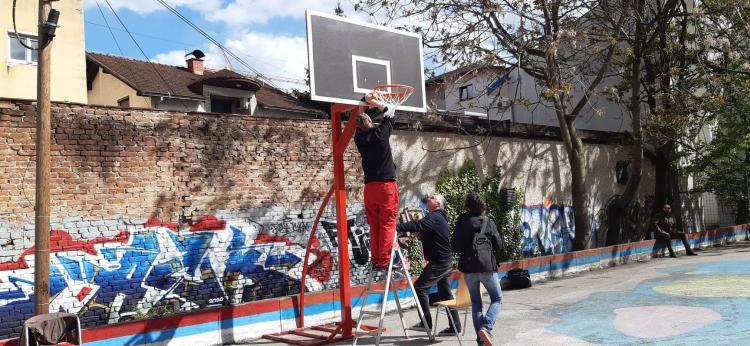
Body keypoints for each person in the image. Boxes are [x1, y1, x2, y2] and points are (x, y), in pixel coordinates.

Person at [396, 193, 462, 336]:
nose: (428, 199)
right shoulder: (439, 218)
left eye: (432, 198)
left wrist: (396, 227)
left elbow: (417, 224)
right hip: (445, 262)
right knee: (445, 293)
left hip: (439, 263)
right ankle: (455, 327)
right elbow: (434, 237)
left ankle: (426, 323)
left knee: (419, 288)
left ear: (438, 204)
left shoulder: (435, 217)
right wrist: (423, 237)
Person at [451, 193, 503, 346]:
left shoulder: (461, 222)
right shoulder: (488, 222)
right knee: (497, 298)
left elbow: (455, 247)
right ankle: (486, 328)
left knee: (476, 303)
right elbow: (499, 245)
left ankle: (481, 342)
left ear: (467, 205)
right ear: (482, 205)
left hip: (468, 268)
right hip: (487, 267)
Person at [354, 93, 399, 270]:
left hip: (370, 188)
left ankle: (376, 260)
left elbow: (360, 122)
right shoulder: (380, 134)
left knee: (375, 225)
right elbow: (390, 111)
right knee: (387, 223)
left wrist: (362, 104)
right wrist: (372, 101)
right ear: (371, 122)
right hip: (386, 186)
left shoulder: (359, 139)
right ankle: (384, 260)